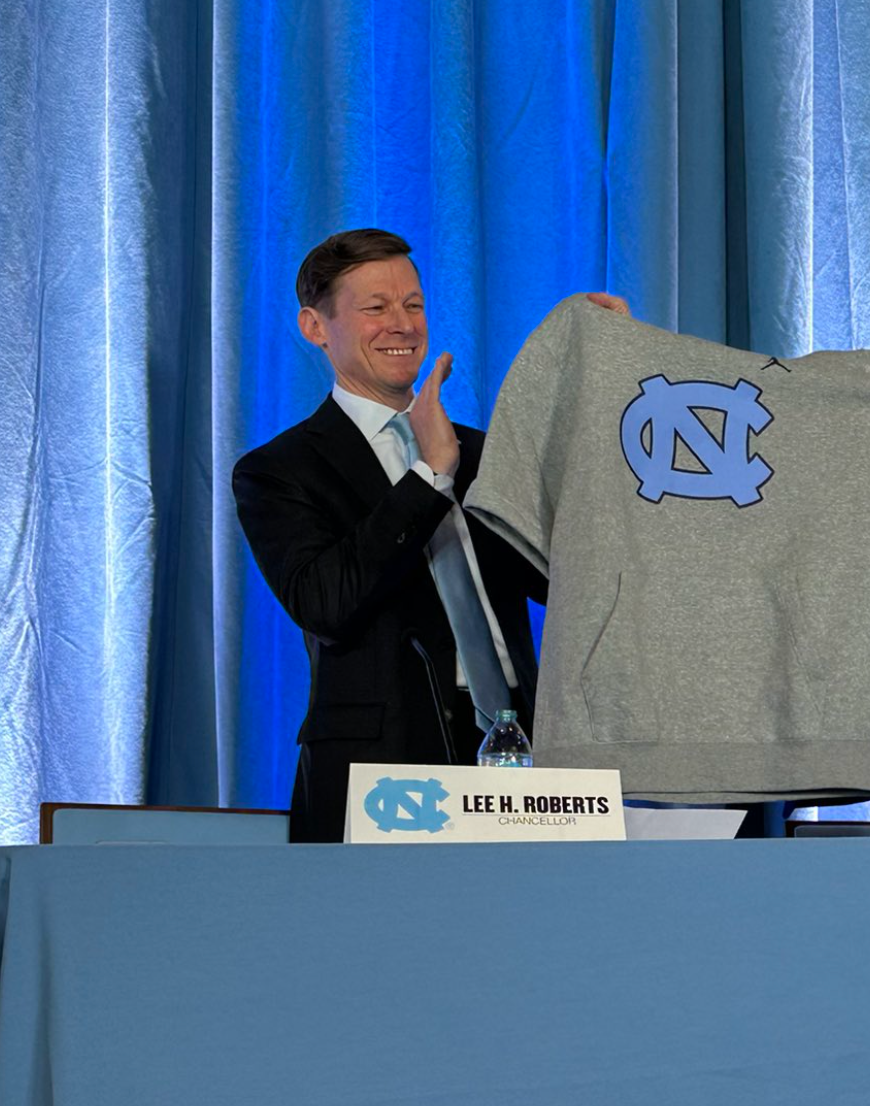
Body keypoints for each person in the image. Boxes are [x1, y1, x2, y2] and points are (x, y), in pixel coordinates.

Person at [233, 230, 616, 841]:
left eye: (413, 305)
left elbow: (563, 580)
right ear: (315, 326)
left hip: (520, 751)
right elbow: (327, 603)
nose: (402, 325)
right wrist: (428, 474)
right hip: (385, 767)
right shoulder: (278, 471)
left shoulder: (484, 451)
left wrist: (586, 396)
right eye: (376, 308)